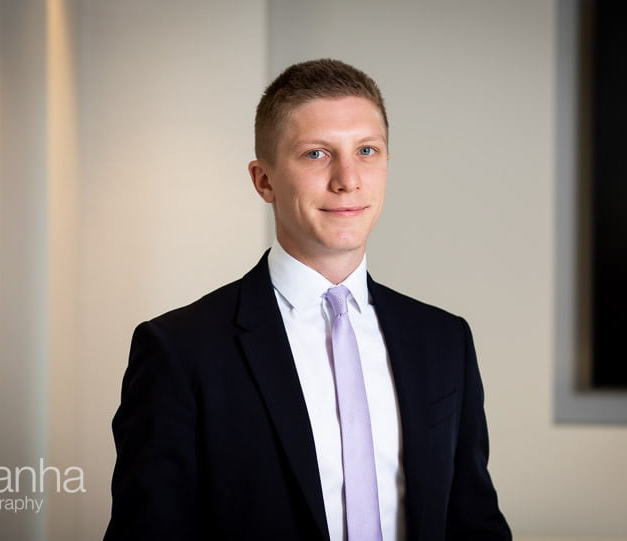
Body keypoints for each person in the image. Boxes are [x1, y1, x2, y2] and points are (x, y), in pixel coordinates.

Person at [104, 58, 511, 541]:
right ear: (264, 180)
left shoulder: (445, 340)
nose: (348, 179)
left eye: (366, 150)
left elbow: (473, 522)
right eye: (317, 154)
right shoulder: (179, 350)